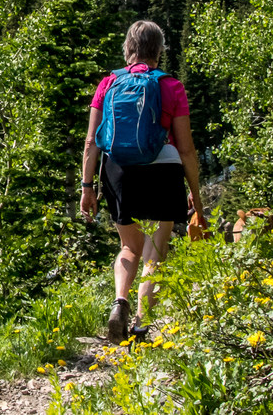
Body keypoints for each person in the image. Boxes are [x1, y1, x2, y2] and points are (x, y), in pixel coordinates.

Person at [78, 19, 209, 342]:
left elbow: (91, 142)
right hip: (164, 170)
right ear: (159, 52)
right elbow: (187, 148)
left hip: (119, 170)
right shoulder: (171, 86)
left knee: (129, 245)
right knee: (156, 249)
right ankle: (139, 323)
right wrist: (196, 195)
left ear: (128, 49)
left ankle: (120, 300)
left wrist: (87, 187)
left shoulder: (108, 84)